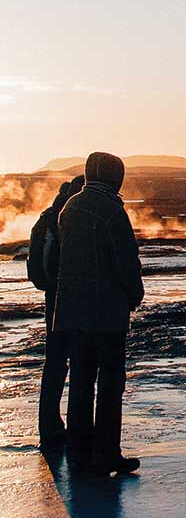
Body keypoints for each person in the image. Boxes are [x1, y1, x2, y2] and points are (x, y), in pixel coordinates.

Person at [53, 152, 145, 475]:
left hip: (73, 313)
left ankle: (78, 452)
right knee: (109, 383)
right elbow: (125, 262)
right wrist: (136, 294)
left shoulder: (69, 208)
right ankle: (105, 453)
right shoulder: (111, 212)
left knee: (80, 380)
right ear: (113, 176)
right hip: (106, 314)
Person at [27, 174, 85, 449]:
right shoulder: (69, 218)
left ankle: (49, 427)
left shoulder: (49, 216)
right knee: (82, 363)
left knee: (55, 363)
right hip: (73, 298)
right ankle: (77, 430)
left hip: (54, 299)